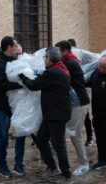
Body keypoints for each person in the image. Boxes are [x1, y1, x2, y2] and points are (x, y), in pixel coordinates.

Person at [19, 47, 72, 181]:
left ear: (49, 59)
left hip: (56, 114)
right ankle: (52, 165)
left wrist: (22, 76)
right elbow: (43, 79)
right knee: (41, 139)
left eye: (45, 58)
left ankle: (66, 173)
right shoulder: (60, 69)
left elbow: (33, 85)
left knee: (58, 143)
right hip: (53, 113)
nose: (44, 60)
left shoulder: (53, 72)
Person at [0, 36, 25, 177]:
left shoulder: (15, 61)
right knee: (2, 135)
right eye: (15, 46)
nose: (17, 48)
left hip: (13, 104)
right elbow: (4, 84)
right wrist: (20, 84)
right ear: (9, 48)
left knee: (20, 132)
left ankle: (18, 164)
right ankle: (3, 165)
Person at [55, 40, 91, 176]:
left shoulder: (69, 63)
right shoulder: (69, 61)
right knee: (66, 133)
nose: (56, 54)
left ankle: (84, 164)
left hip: (78, 103)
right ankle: (65, 164)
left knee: (75, 135)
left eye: (57, 50)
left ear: (64, 51)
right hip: (72, 103)